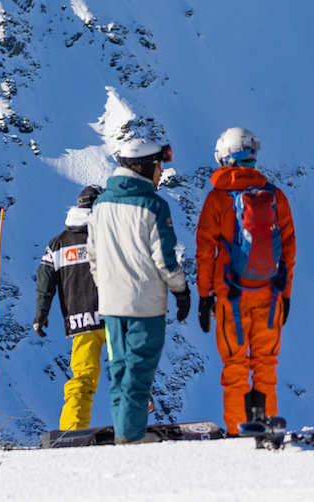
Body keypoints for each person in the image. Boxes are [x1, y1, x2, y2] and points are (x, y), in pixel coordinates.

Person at [87, 135, 190, 445]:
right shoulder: (153, 205)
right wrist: (181, 291)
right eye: (159, 166)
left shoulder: (101, 203)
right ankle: (130, 439)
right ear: (145, 168)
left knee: (119, 369)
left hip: (111, 301)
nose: (161, 173)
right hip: (145, 304)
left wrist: (106, 284)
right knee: (139, 371)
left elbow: (92, 255)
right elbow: (165, 260)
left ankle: (124, 432)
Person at [195, 127, 296, 431]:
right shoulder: (275, 196)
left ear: (225, 157)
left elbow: (205, 250)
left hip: (231, 297)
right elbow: (288, 249)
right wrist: (286, 293)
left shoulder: (218, 199)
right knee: (265, 365)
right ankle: (267, 427)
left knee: (235, 367)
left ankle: (239, 432)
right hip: (271, 295)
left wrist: (204, 296)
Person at [33, 186, 105, 430]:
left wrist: (40, 315)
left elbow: (44, 280)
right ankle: (130, 425)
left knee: (82, 379)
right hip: (115, 317)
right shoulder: (110, 234)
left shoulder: (58, 244)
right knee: (126, 370)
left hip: (80, 322)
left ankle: (71, 432)